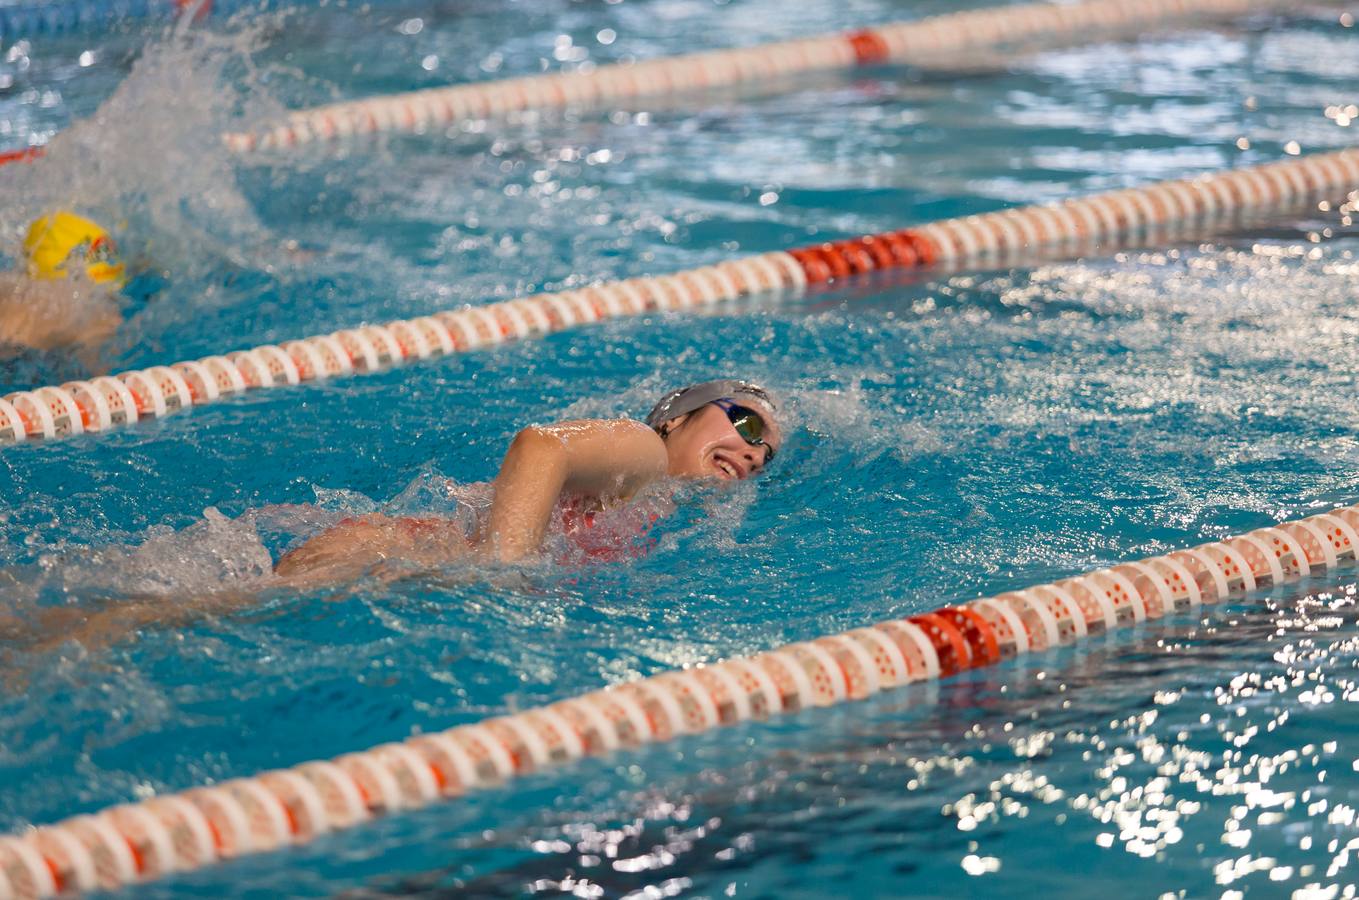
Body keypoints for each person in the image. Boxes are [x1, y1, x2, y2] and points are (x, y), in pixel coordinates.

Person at [274, 378, 782, 583]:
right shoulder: (645, 451)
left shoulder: (659, 503)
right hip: (383, 554)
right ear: (676, 418)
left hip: (411, 570)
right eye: (747, 424)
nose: (756, 454)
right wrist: (503, 573)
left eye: (766, 454)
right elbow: (542, 445)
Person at [0, 210, 127, 368]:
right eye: (107, 298)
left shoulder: (11, 296)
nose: (117, 318)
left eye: (110, 299)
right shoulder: (92, 321)